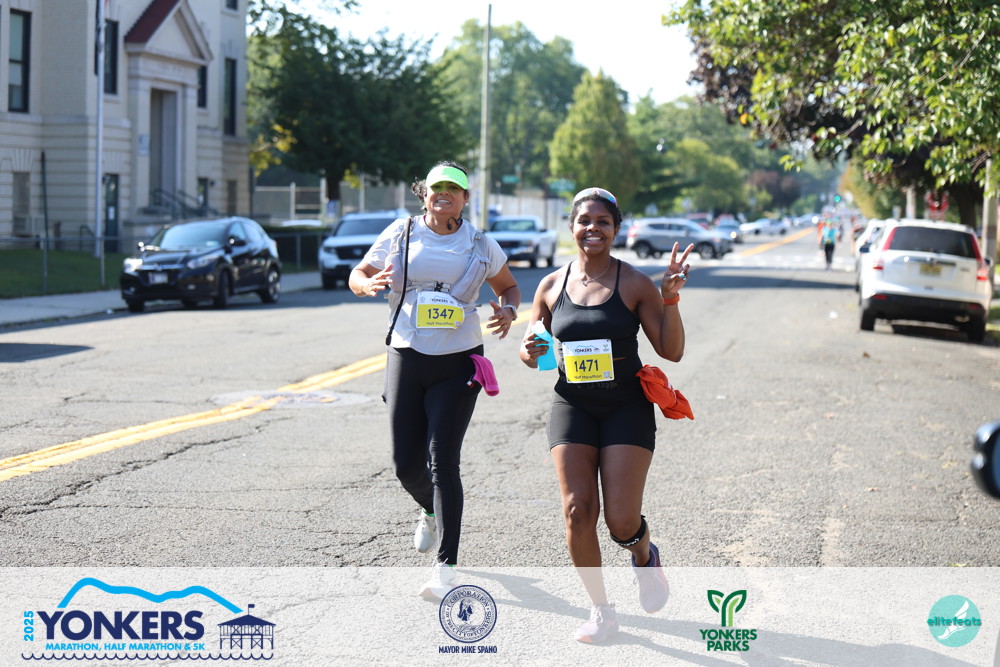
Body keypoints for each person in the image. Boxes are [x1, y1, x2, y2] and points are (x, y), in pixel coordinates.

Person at [519, 187, 692, 643]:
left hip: (625, 407)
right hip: (572, 404)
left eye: (603, 222)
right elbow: (534, 351)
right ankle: (601, 610)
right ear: (571, 227)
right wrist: (529, 350)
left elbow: (671, 351)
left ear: (615, 230)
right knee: (578, 511)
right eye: (584, 221)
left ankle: (644, 556)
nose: (593, 228)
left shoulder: (633, 283)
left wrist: (669, 299)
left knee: (621, 522)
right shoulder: (550, 286)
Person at [349, 161, 520, 600]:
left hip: (459, 361)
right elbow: (358, 273)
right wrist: (365, 285)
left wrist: (508, 310)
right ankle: (429, 508)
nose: (444, 192)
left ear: (465, 199)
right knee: (405, 464)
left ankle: (446, 568)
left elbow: (508, 287)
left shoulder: (480, 243)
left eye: (453, 188)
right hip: (406, 354)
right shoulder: (401, 233)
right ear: (424, 194)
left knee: (444, 460)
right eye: (436, 187)